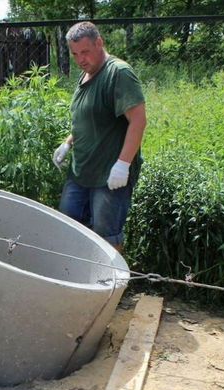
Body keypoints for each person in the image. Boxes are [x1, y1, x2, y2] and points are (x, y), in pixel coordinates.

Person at [52, 22, 147, 252]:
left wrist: (123, 165)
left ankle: (111, 285)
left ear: (99, 43)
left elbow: (138, 121)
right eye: (75, 54)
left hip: (109, 175)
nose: (80, 59)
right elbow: (90, 119)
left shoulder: (118, 73)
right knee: (70, 224)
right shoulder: (85, 75)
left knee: (107, 237)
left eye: (85, 52)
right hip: (81, 171)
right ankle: (80, 282)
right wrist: (67, 142)